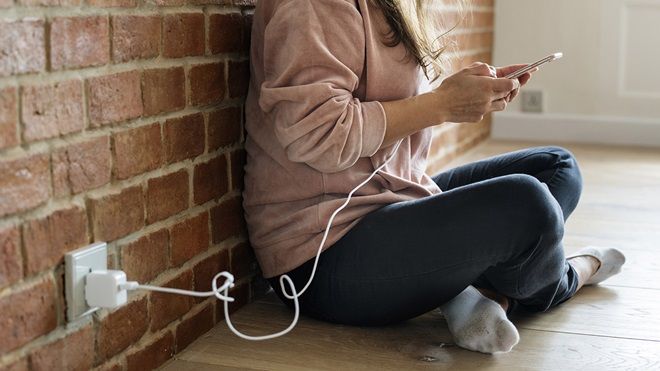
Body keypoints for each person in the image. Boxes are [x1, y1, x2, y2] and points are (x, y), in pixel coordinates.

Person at [242, 0, 625, 354]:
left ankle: (470, 291)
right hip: (325, 257)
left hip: (395, 200)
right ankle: (568, 274)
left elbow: (393, 116)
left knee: (557, 166)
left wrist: (460, 94)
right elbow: (318, 134)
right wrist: (443, 105)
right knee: (528, 202)